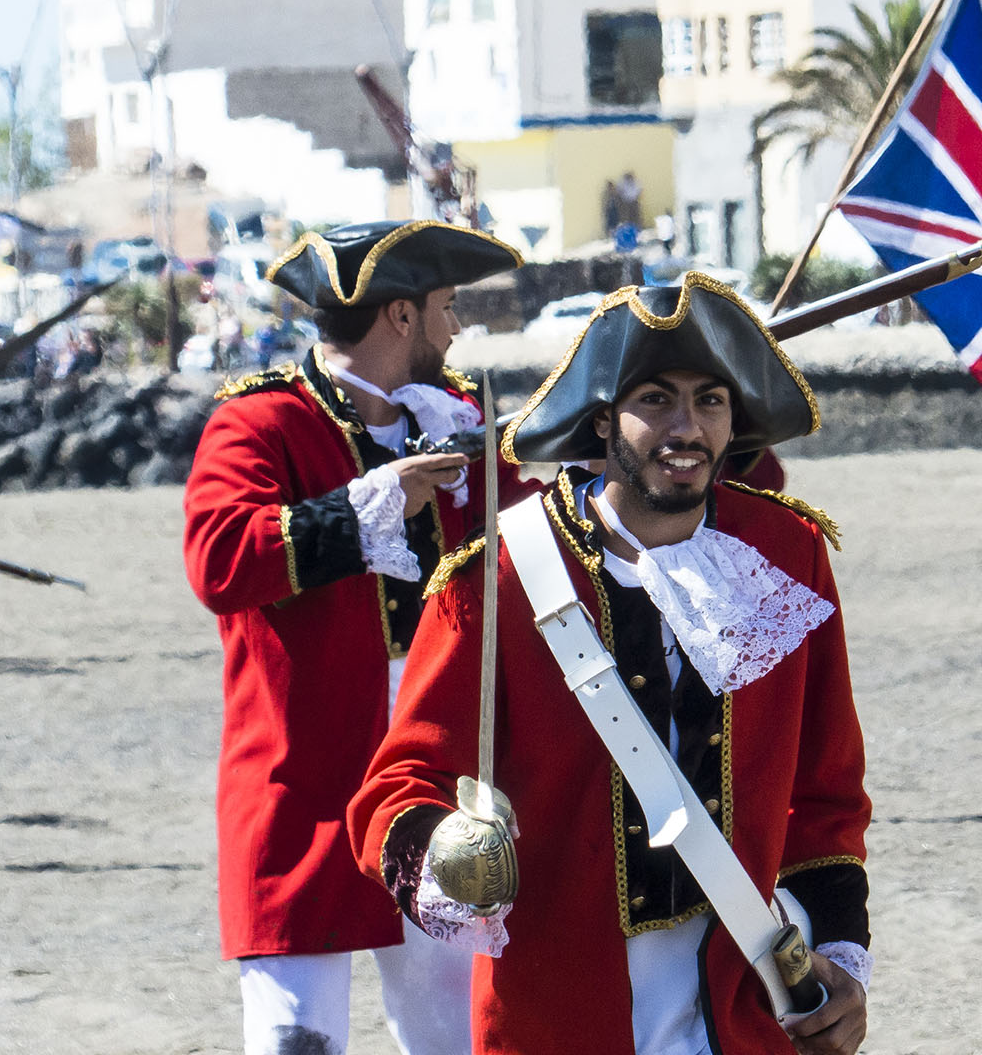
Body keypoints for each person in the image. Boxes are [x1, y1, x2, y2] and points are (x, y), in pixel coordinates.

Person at [348, 272, 872, 1055]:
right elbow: (397, 787)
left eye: (710, 401)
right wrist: (451, 850)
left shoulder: (786, 556)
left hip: (745, 997)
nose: (686, 428)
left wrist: (836, 952)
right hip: (561, 1006)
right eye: (656, 400)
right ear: (602, 423)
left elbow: (825, 789)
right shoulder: (495, 580)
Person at [182, 219, 532, 1055]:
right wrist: (372, 504)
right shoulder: (260, 422)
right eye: (445, 308)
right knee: (296, 1043)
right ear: (401, 317)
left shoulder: (457, 420)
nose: (454, 330)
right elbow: (219, 560)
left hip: (434, 781)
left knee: (458, 1035)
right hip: (302, 788)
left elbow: (539, 542)